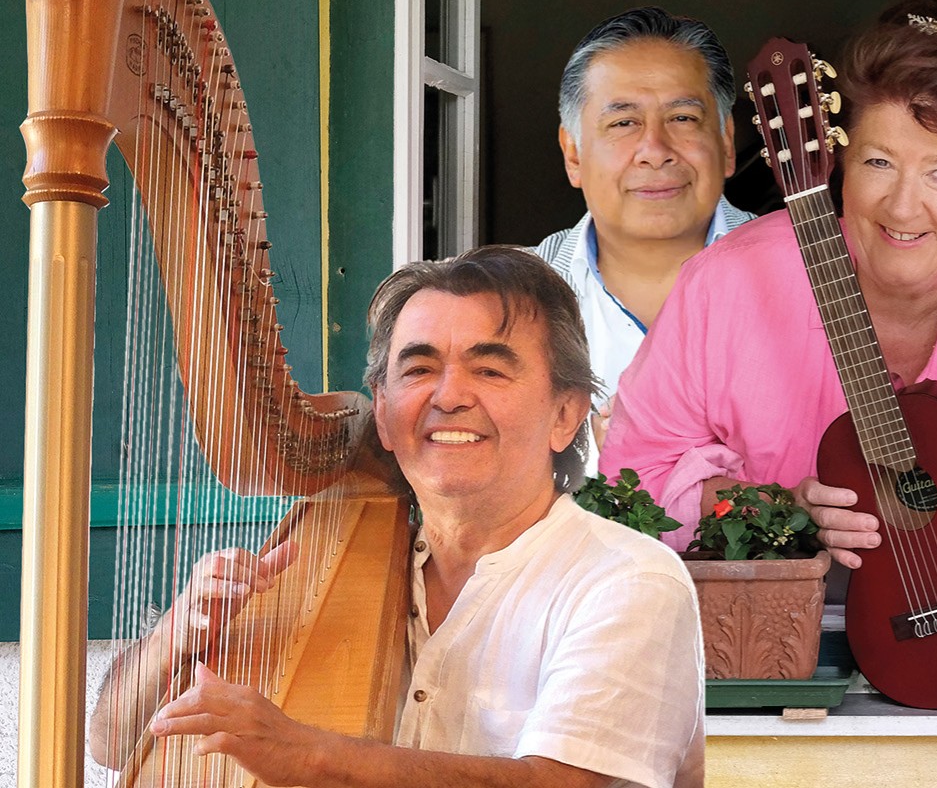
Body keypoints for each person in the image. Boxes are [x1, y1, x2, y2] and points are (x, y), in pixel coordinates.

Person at [90, 246, 705, 788]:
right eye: (419, 369)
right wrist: (177, 635)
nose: (449, 396)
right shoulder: (307, 569)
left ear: (566, 414)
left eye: (489, 369)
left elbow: (557, 785)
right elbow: (111, 744)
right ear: (383, 415)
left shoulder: (627, 581)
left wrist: (307, 755)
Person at [601, 0, 937, 560]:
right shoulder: (729, 281)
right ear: (839, 164)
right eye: (878, 162)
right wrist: (776, 509)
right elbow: (631, 487)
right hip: (770, 624)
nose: (901, 207)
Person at [534, 7, 755, 447]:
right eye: (623, 123)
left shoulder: (810, 279)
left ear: (727, 142)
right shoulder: (515, 297)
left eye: (683, 118)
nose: (655, 151)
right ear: (573, 153)